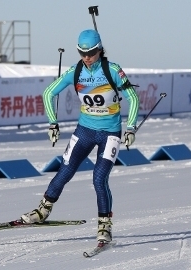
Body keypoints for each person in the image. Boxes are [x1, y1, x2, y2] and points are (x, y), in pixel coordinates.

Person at [20, 29, 140, 244]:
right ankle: (43, 210)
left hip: (109, 134)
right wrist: (52, 123)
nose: (87, 57)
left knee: (98, 178)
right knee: (65, 170)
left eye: (92, 52)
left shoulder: (112, 70)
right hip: (84, 130)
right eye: (82, 53)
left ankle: (104, 226)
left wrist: (131, 127)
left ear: (100, 49)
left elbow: (132, 96)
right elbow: (48, 93)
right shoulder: (75, 72)